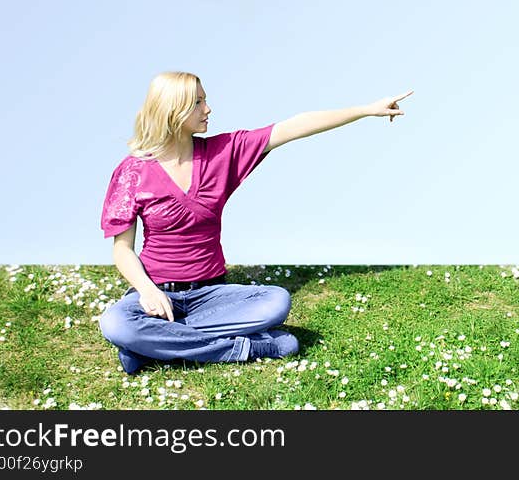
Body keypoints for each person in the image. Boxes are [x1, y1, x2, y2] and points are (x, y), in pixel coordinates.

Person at [99, 71, 413, 374]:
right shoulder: (132, 172)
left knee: (276, 302)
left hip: (211, 295)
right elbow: (122, 249)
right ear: (173, 109)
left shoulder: (223, 152)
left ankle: (150, 346)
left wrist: (365, 110)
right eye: (197, 102)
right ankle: (245, 348)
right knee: (115, 322)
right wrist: (147, 291)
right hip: (155, 294)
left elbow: (293, 126)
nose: (207, 108)